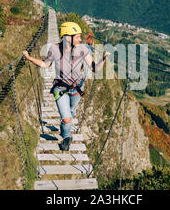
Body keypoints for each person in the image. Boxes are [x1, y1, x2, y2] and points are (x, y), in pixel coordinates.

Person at [23, 22, 110, 151]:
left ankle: (64, 128)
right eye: (77, 37)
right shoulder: (54, 49)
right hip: (61, 88)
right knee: (67, 118)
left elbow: (94, 68)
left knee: (71, 113)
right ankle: (66, 138)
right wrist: (29, 58)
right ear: (68, 37)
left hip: (77, 89)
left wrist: (103, 59)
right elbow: (45, 64)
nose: (80, 39)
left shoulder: (83, 49)